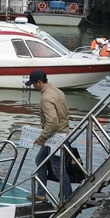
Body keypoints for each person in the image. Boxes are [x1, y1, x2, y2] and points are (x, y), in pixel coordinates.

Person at [25, 69, 72, 202]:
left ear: (39, 82)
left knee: (58, 169)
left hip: (55, 138)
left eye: (34, 84)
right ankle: (41, 193)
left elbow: (52, 122)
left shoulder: (46, 98)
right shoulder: (57, 91)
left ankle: (68, 197)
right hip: (61, 133)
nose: (33, 87)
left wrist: (42, 137)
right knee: (40, 160)